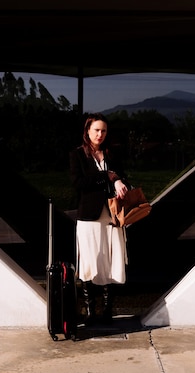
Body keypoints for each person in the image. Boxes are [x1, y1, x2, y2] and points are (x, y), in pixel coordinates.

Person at [69, 113, 129, 325]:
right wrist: (108, 176)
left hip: (112, 216)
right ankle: (89, 311)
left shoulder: (112, 154)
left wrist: (120, 182)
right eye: (96, 130)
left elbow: (123, 177)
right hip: (89, 217)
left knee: (109, 261)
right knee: (90, 261)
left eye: (103, 130)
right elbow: (79, 183)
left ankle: (107, 311)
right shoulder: (78, 155)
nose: (100, 134)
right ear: (87, 131)